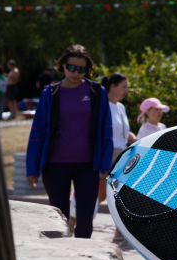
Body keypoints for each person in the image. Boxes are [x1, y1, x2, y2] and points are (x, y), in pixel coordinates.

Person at [25, 45, 113, 239]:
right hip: (55, 165)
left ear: (87, 70)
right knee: (59, 218)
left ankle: (82, 254)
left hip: (88, 166)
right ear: (62, 66)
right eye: (71, 67)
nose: (75, 72)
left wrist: (105, 163)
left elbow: (106, 130)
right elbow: (38, 132)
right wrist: (32, 168)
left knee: (86, 218)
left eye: (81, 69)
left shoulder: (97, 92)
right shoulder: (50, 93)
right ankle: (60, 253)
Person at [99, 74, 138, 242]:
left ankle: (120, 231)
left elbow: (120, 130)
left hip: (122, 154)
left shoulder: (120, 107)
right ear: (113, 86)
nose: (126, 91)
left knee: (121, 193)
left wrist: (130, 135)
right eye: (124, 87)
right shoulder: (102, 105)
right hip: (107, 154)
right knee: (100, 194)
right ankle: (73, 219)